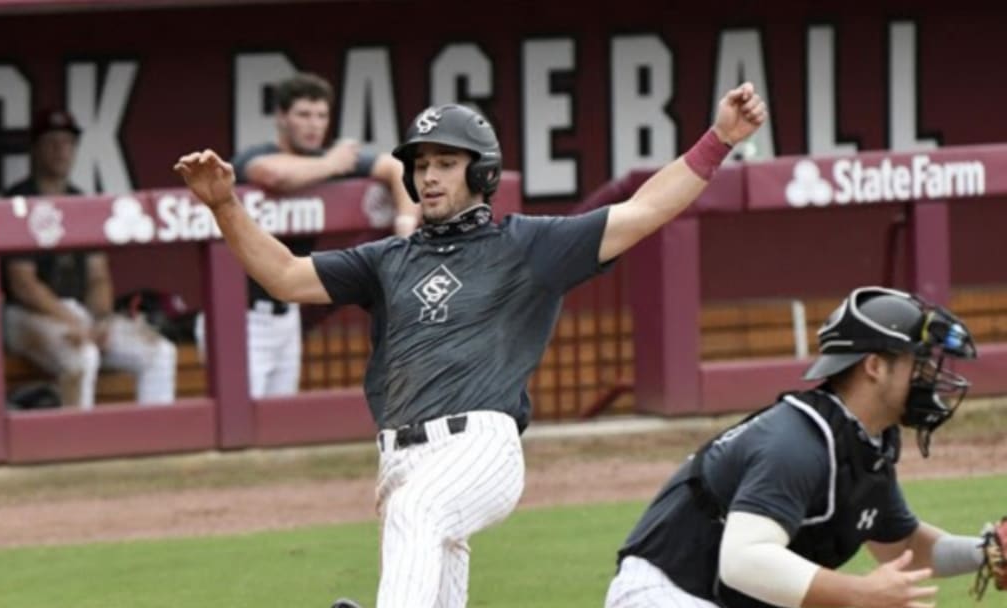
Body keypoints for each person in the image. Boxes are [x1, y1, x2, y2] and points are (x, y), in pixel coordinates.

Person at [174, 83, 766, 608]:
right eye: (421, 164)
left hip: (479, 446)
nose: (428, 176)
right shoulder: (386, 260)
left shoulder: (529, 245)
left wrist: (719, 138)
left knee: (418, 514)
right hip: (399, 463)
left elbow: (646, 208)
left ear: (481, 173)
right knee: (425, 550)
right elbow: (283, 274)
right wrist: (225, 205)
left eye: (446, 163)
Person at [604, 285, 998, 608]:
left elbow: (905, 547)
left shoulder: (866, 444)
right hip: (663, 594)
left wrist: (987, 551)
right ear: (874, 366)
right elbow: (744, 560)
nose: (930, 377)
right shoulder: (796, 442)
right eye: (919, 362)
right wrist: (859, 594)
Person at [193, 72, 417, 398]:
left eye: (321, 115)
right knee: (238, 426)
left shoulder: (325, 160)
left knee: (278, 423)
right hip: (239, 314)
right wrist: (332, 163)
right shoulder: (256, 155)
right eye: (303, 115)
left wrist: (406, 225)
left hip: (286, 313)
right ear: (282, 118)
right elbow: (275, 175)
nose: (314, 124)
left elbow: (397, 168)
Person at [2, 108, 177, 409]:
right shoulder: (19, 199)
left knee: (160, 352)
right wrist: (76, 322)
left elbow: (98, 276)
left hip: (79, 314)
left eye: (68, 143)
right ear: (36, 148)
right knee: (83, 354)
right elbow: (23, 284)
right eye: (52, 142)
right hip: (26, 315)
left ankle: (155, 440)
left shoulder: (81, 200)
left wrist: (101, 320)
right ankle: (75, 447)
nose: (61, 150)